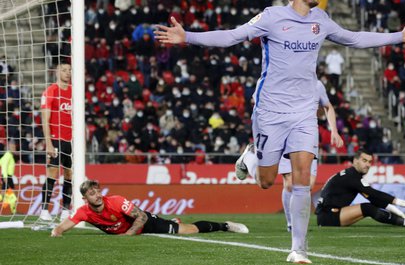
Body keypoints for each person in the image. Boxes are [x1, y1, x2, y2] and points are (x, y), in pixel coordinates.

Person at [154, 0, 405, 264]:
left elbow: (354, 38)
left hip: (302, 112)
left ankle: (298, 248)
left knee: (302, 181)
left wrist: (397, 37)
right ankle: (250, 157)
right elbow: (233, 35)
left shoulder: (320, 20)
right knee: (266, 181)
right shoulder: (271, 17)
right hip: (270, 110)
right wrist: (189, 37)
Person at [51, 180, 249, 236]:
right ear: (85, 198)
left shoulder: (117, 201)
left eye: (98, 191)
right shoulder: (83, 212)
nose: (97, 195)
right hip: (131, 229)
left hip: (145, 223)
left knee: (188, 230)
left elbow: (141, 217)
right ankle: (171, 222)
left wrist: (128, 234)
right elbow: (63, 227)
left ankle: (225, 225)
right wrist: (57, 231)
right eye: (92, 194)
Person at [279, 79, 343, 231]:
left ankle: (298, 222)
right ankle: (292, 224)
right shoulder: (284, 80)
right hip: (286, 135)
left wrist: (334, 130)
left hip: (309, 137)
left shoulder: (317, 84)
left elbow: (328, 107)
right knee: (289, 184)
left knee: (307, 186)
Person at [315, 150, 405, 227]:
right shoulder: (352, 177)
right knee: (367, 208)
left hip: (329, 214)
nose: (368, 164)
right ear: (355, 161)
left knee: (370, 206)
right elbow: (375, 193)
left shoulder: (351, 175)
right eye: (364, 160)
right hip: (328, 216)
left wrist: (399, 212)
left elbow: (374, 198)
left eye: (369, 161)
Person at [39, 63, 73, 223]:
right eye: (64, 70)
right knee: (52, 173)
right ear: (57, 72)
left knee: (69, 174)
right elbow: (45, 120)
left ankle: (66, 209)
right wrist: (49, 143)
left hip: (70, 140)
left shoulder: (74, 91)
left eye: (69, 70)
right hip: (56, 139)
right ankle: (44, 210)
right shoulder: (51, 90)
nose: (67, 73)